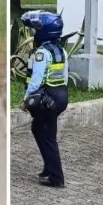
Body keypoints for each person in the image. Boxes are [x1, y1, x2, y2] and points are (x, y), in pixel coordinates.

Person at [20, 10, 70, 188]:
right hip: (60, 96)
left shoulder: (41, 53)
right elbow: (65, 75)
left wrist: (26, 100)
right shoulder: (60, 50)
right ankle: (48, 168)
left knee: (48, 137)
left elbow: (36, 80)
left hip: (47, 99)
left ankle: (56, 178)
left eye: (37, 30)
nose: (34, 32)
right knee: (39, 129)